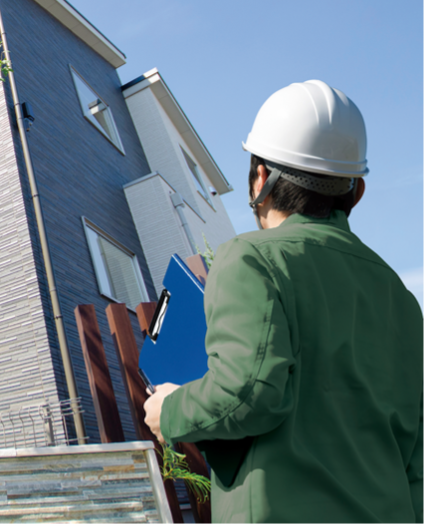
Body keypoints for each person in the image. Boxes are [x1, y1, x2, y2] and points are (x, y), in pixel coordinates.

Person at [143, 80, 424, 524]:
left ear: (260, 179)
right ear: (356, 191)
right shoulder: (401, 297)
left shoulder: (249, 257)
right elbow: (418, 454)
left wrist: (170, 410)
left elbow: (248, 391)